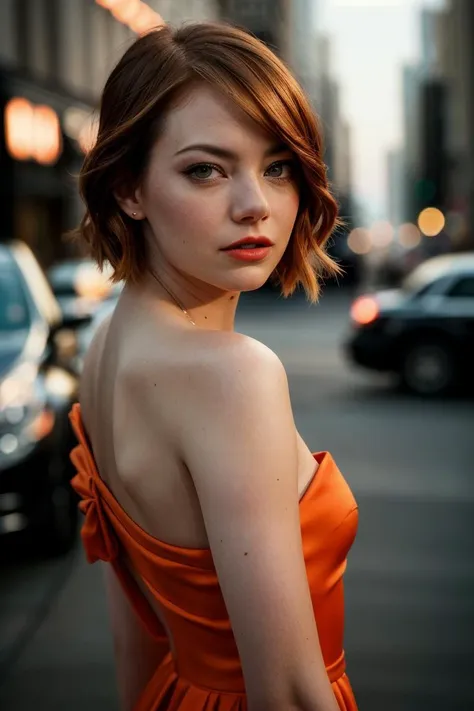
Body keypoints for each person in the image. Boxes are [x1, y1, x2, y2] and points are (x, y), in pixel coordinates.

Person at [69, 21, 359, 711]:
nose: (255, 204)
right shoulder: (233, 374)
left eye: (278, 165)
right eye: (206, 168)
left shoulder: (104, 346)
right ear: (129, 189)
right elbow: (287, 690)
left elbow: (135, 639)